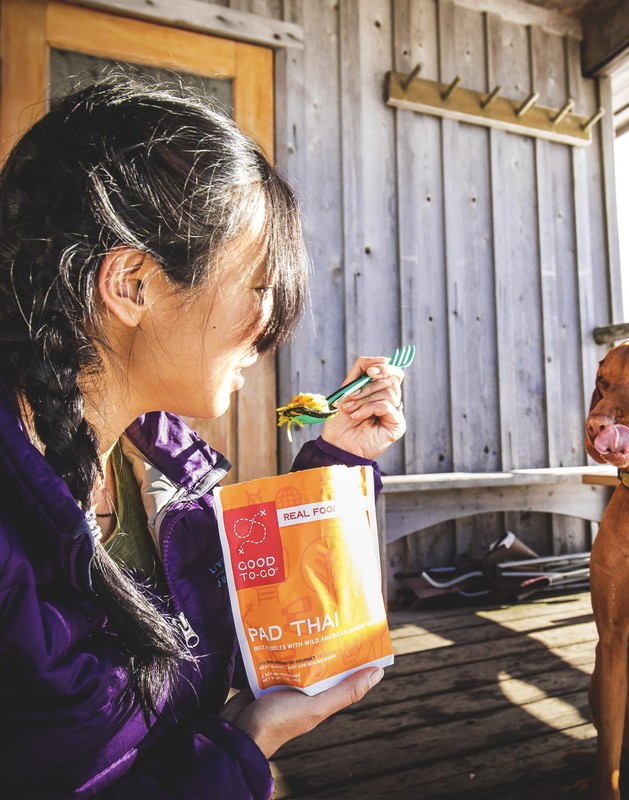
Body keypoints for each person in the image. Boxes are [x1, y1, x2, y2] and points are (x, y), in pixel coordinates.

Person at [0, 73, 406, 798]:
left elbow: (258, 598)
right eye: (257, 281)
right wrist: (250, 741)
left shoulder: (156, 457)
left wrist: (340, 459)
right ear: (131, 284)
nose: (270, 324)